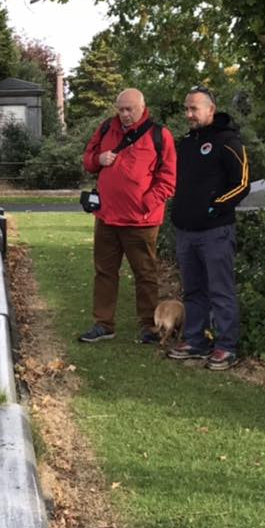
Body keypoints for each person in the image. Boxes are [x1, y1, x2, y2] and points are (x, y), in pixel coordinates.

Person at [78, 88, 178, 344]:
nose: (124, 114)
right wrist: (99, 158)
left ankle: (149, 325)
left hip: (141, 222)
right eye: (120, 109)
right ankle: (103, 323)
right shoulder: (105, 129)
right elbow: (88, 161)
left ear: (142, 107)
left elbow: (168, 179)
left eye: (129, 109)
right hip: (107, 217)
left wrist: (147, 203)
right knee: (105, 272)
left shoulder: (159, 135)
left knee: (145, 274)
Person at [167, 86, 251, 368]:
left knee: (220, 290)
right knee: (193, 290)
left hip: (215, 232)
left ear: (211, 110)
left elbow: (242, 184)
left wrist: (216, 206)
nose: (189, 114)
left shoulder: (228, 141)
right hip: (186, 232)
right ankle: (196, 340)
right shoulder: (188, 143)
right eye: (187, 108)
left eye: (195, 108)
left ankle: (226, 345)